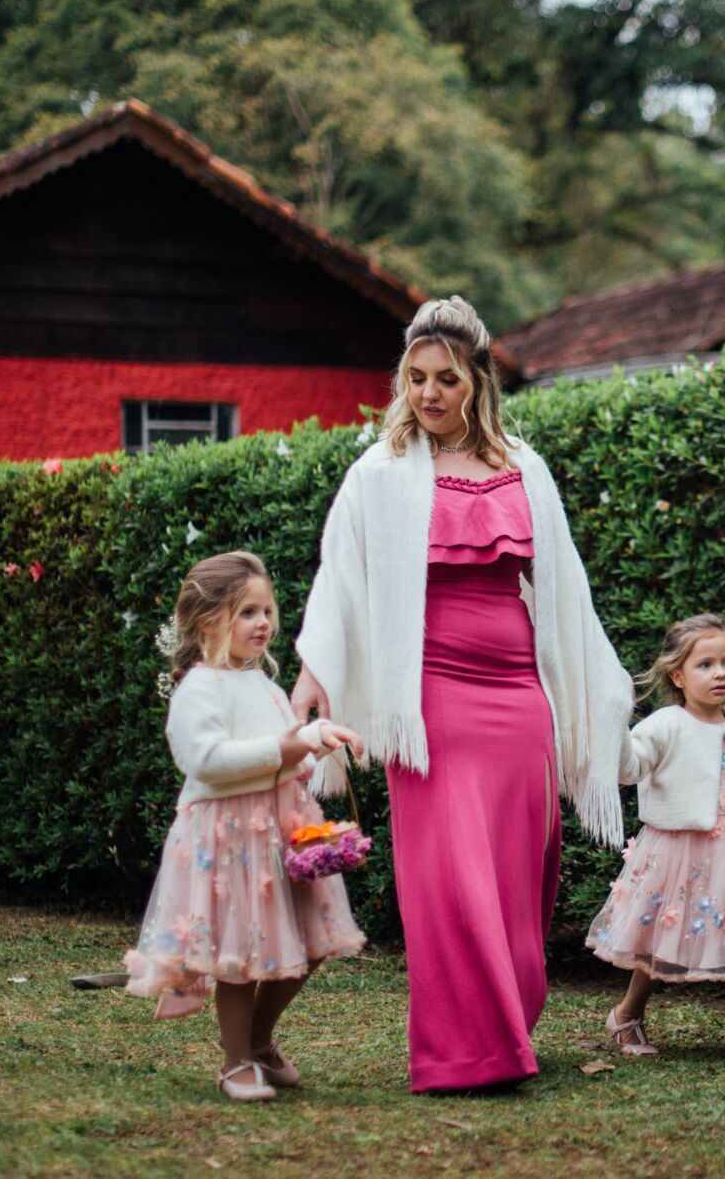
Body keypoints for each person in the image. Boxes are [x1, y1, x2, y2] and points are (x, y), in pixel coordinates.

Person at [294, 295, 633, 1093]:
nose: (429, 394)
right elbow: (339, 581)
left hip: (519, 703)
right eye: (415, 379)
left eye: (446, 379)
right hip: (428, 706)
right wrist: (315, 674)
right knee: (448, 880)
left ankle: (505, 1029)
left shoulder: (526, 467)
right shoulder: (377, 474)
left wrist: (601, 702)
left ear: (477, 381)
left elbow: (568, 596)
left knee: (519, 883)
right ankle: (461, 1053)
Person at [123, 550, 366, 1102]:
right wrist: (285, 747)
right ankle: (235, 1061)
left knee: (311, 940)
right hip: (227, 838)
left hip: (281, 830)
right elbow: (205, 760)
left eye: (266, 611)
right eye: (247, 613)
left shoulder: (264, 684)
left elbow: (290, 755)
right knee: (239, 955)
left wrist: (316, 741)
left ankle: (259, 1039)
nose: (263, 623)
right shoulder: (199, 688)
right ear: (210, 621)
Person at [586, 613, 725, 1064]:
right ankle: (627, 1014)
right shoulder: (664, 724)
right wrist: (614, 725)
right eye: (705, 665)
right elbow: (629, 769)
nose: (720, 674)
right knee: (657, 938)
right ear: (678, 674)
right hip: (678, 851)